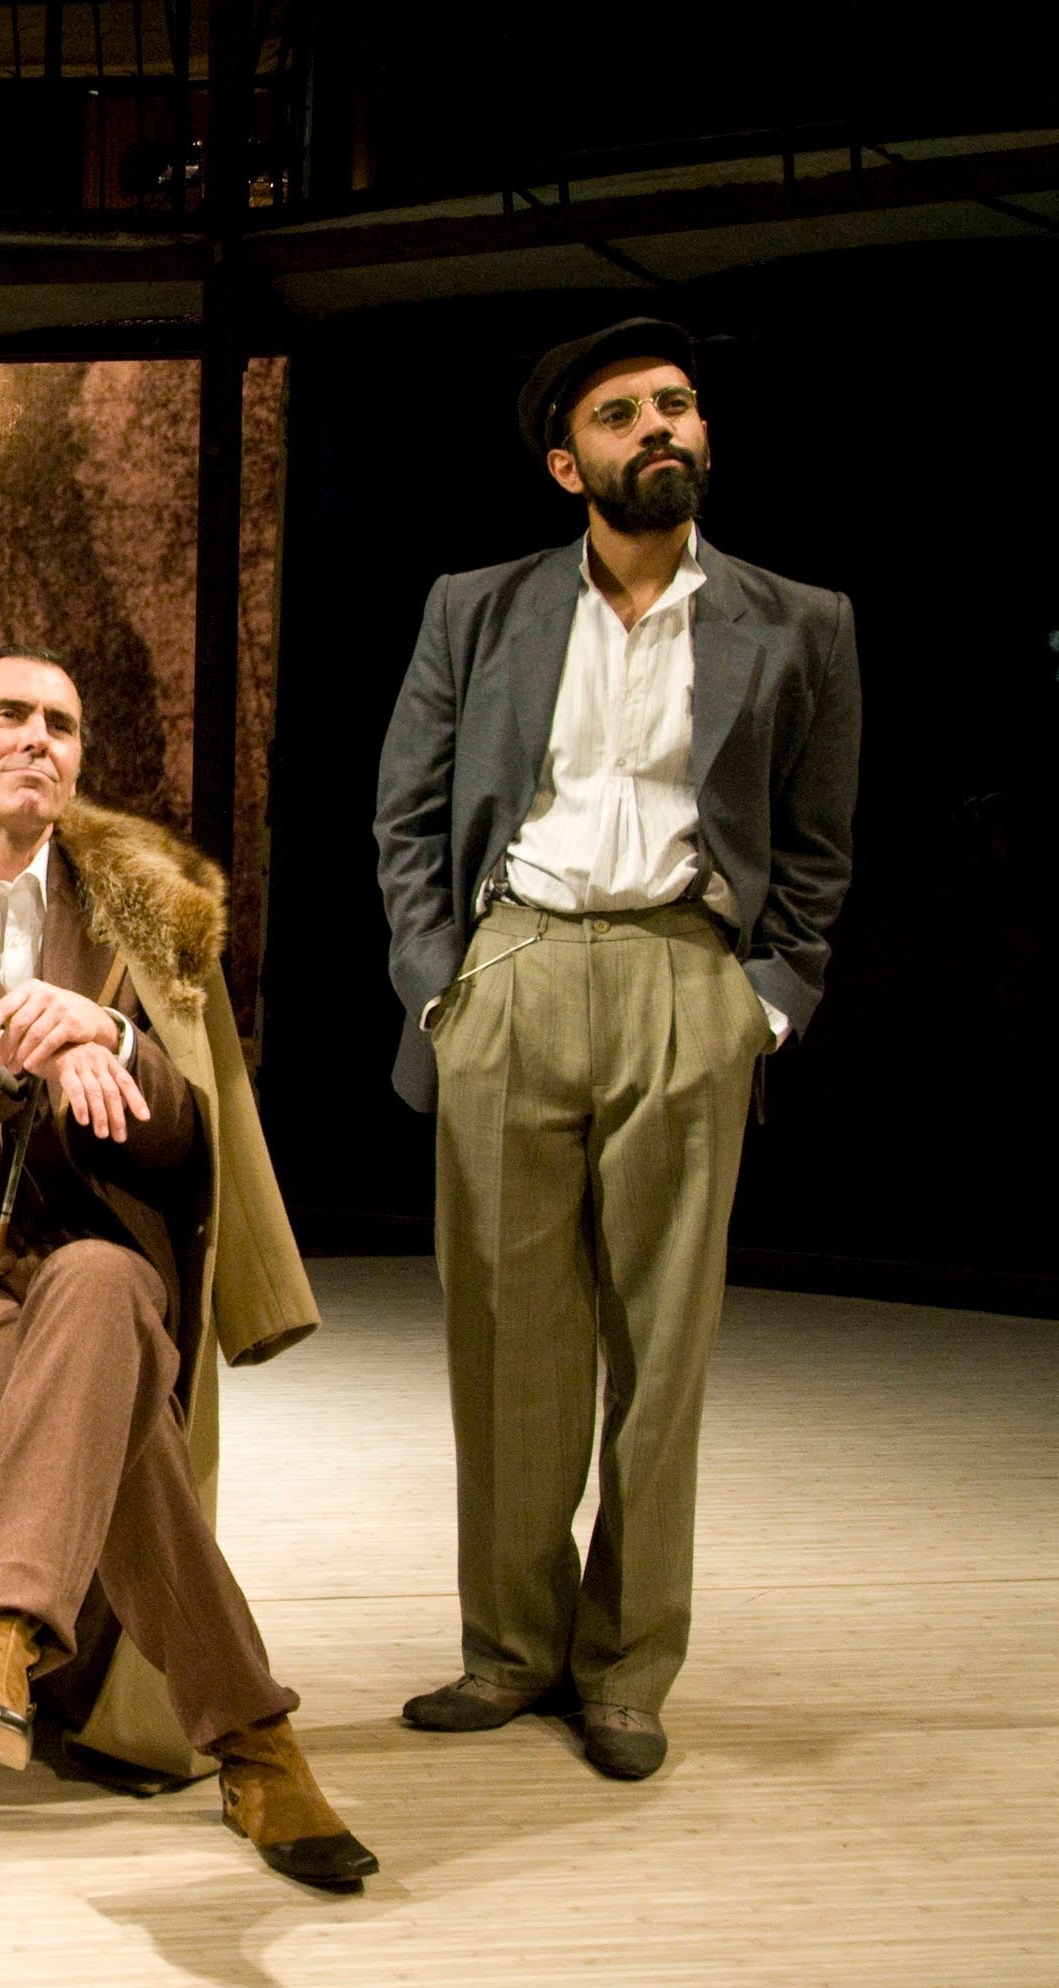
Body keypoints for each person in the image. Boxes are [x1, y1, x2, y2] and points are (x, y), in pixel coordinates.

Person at [0, 647, 378, 1890]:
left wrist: (114, 1040)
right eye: (10, 715)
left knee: (100, 1285)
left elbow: (196, 1134)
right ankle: (255, 1743)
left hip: (107, 1257)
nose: (38, 738)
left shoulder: (140, 915)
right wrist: (1, 1065)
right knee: (123, 1413)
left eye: (62, 723)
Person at [373, 318, 860, 1780]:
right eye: (621, 413)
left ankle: (629, 1669)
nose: (659, 427)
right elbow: (407, 818)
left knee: (664, 1347)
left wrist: (764, 1002)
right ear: (564, 462)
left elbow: (819, 845)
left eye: (678, 404)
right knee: (508, 1341)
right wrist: (442, 992)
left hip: (684, 974)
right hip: (514, 965)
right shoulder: (477, 608)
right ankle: (511, 1651)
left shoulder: (800, 621)